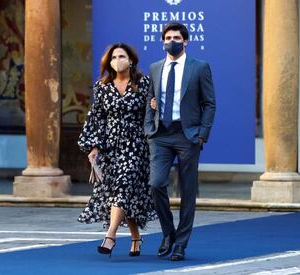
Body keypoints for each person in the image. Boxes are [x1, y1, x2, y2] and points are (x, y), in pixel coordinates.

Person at [144, 22, 216, 261]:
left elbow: (209, 103)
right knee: (156, 184)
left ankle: (181, 244)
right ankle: (168, 233)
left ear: (185, 41)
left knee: (187, 191)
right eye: (167, 37)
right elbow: (150, 101)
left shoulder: (199, 67)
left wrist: (201, 134)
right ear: (162, 41)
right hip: (161, 135)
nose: (171, 41)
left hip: (188, 136)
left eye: (176, 37)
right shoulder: (155, 68)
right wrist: (149, 129)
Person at [78, 43, 157, 257]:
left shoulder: (143, 83)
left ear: (131, 60)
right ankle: (135, 237)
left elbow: (152, 113)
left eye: (121, 56)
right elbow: (96, 118)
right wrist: (93, 147)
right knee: (123, 193)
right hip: (111, 146)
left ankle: (110, 236)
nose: (117, 60)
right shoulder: (102, 86)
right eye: (113, 57)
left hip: (136, 146)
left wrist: (154, 107)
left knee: (124, 185)